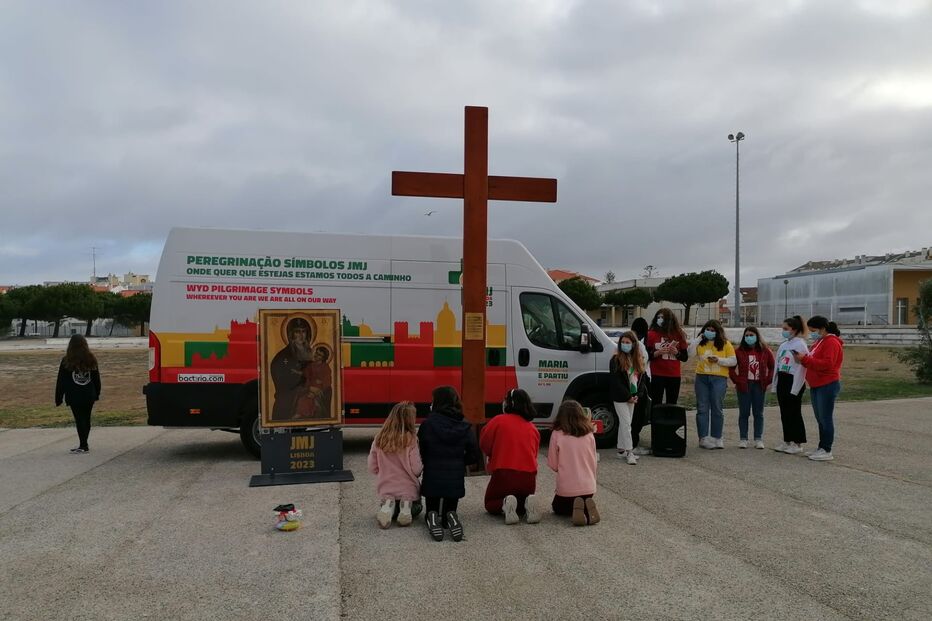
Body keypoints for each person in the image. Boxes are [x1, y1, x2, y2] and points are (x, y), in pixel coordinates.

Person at [418, 386, 478, 542]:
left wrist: (428, 462)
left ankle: (431, 516)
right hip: (455, 477)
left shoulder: (428, 425)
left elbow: (421, 449)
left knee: (432, 504)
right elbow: (473, 454)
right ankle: (449, 516)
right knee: (450, 504)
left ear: (437, 402)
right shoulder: (464, 425)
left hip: (432, 475)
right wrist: (460, 463)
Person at [479, 389, 541, 525]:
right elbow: (534, 453)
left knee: (490, 502)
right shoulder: (532, 428)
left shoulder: (498, 421)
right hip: (528, 478)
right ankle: (526, 503)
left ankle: (505, 503)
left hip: (504, 473)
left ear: (509, 403)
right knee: (520, 500)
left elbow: (484, 443)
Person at [368, 401, 423, 529]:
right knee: (418, 507)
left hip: (386, 488)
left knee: (387, 500)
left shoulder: (379, 438)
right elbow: (416, 468)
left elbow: (372, 466)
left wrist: (381, 472)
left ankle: (388, 506)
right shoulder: (411, 439)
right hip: (408, 490)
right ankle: (406, 508)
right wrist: (420, 471)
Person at [796, 316, 844, 462]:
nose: (812, 333)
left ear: (822, 328)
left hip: (827, 384)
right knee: (820, 418)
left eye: (813, 330)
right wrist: (803, 359)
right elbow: (812, 360)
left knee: (825, 417)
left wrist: (805, 359)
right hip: (817, 384)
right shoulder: (820, 341)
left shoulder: (831, 342)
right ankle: (821, 447)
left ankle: (827, 449)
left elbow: (827, 364)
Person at [547, 400, 600, 526]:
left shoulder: (556, 434)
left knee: (557, 508)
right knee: (583, 498)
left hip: (567, 489)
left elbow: (553, 464)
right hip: (589, 487)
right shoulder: (589, 434)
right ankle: (586, 507)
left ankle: (574, 508)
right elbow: (594, 460)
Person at [689, 320, 737, 449]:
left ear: (718, 332)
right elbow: (690, 353)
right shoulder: (701, 343)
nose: (710, 332)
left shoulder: (726, 344)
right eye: (707, 329)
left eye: (712, 330)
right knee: (702, 407)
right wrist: (698, 338)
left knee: (717, 407)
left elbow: (733, 361)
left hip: (719, 378)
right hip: (702, 377)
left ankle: (717, 437)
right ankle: (703, 437)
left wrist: (718, 360)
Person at [54, 335, 101, 454]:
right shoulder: (91, 358)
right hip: (89, 394)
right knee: (86, 418)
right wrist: (97, 393)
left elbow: (61, 381)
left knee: (79, 419)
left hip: (74, 395)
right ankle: (84, 444)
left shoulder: (67, 360)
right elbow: (96, 379)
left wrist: (58, 397)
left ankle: (83, 445)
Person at [729, 327, 775, 449]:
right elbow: (731, 368)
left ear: (757, 336)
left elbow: (772, 367)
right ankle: (743, 438)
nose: (749, 337)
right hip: (744, 385)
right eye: (747, 335)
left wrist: (767, 380)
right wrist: (737, 380)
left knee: (758, 413)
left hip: (759, 385)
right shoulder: (738, 351)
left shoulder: (765, 351)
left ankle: (758, 439)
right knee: (744, 413)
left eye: (752, 335)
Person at [609, 331, 650, 464]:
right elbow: (616, 381)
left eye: (628, 342)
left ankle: (621, 450)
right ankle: (630, 452)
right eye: (623, 342)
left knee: (625, 423)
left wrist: (637, 395)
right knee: (627, 424)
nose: (625, 345)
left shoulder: (638, 359)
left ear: (634, 344)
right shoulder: (615, 360)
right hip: (620, 397)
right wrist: (627, 396)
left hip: (633, 397)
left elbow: (641, 380)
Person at [773, 316, 810, 455]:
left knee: (794, 412)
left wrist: (796, 386)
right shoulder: (784, 345)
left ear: (794, 330)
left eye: (786, 329)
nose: (783, 331)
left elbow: (802, 366)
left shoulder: (800, 344)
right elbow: (778, 364)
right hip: (782, 379)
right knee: (784, 412)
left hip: (793, 380)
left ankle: (798, 442)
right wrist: (775, 383)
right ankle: (787, 440)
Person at [269, 317, 314, 421]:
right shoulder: (283, 356)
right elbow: (282, 379)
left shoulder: (310, 352)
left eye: (304, 331)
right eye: (297, 332)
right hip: (291, 393)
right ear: (291, 335)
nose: (301, 335)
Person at [645, 308, 688, 405]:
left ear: (669, 319)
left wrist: (676, 352)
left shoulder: (679, 334)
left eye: (662, 317)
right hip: (656, 374)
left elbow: (685, 357)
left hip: (674, 375)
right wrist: (657, 353)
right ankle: (655, 420)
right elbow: (646, 356)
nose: (660, 319)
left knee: (672, 403)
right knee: (655, 402)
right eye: (658, 317)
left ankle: (670, 420)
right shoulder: (651, 334)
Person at [629, 317, 652, 456]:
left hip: (627, 383)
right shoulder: (639, 345)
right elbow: (642, 365)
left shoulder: (623, 341)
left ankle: (626, 445)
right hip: (637, 384)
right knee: (636, 416)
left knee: (628, 417)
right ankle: (632, 444)